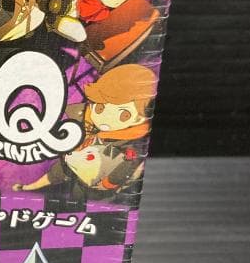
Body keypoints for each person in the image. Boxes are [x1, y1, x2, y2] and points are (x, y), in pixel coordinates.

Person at [14, 64, 156, 193]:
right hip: (72, 161)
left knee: (81, 195)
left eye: (124, 115)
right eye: (100, 108)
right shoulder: (83, 114)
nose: (105, 118)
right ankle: (29, 187)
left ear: (138, 118)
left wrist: (108, 183)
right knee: (57, 172)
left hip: (95, 181)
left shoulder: (131, 140)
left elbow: (129, 164)